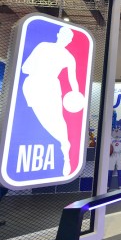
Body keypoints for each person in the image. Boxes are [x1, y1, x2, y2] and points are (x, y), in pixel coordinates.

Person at [21, 26, 83, 177]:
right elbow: (25, 68)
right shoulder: (46, 48)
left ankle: (65, 150)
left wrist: (75, 95)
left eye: (68, 37)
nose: (66, 39)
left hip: (47, 86)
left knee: (56, 121)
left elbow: (73, 81)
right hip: (37, 85)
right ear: (59, 35)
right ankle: (63, 147)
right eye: (65, 35)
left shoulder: (66, 56)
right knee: (41, 120)